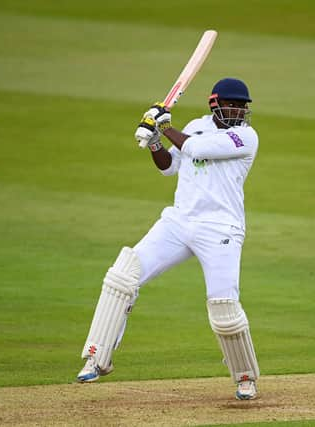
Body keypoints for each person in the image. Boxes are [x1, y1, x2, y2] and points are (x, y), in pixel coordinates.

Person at [76, 78, 261, 400]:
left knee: (223, 305)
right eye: (233, 104)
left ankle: (244, 377)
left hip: (220, 228)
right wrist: (153, 142)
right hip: (179, 220)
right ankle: (96, 357)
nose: (239, 111)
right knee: (123, 276)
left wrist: (162, 126)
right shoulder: (195, 126)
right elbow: (170, 167)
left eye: (243, 106)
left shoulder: (244, 136)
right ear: (215, 104)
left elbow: (196, 148)